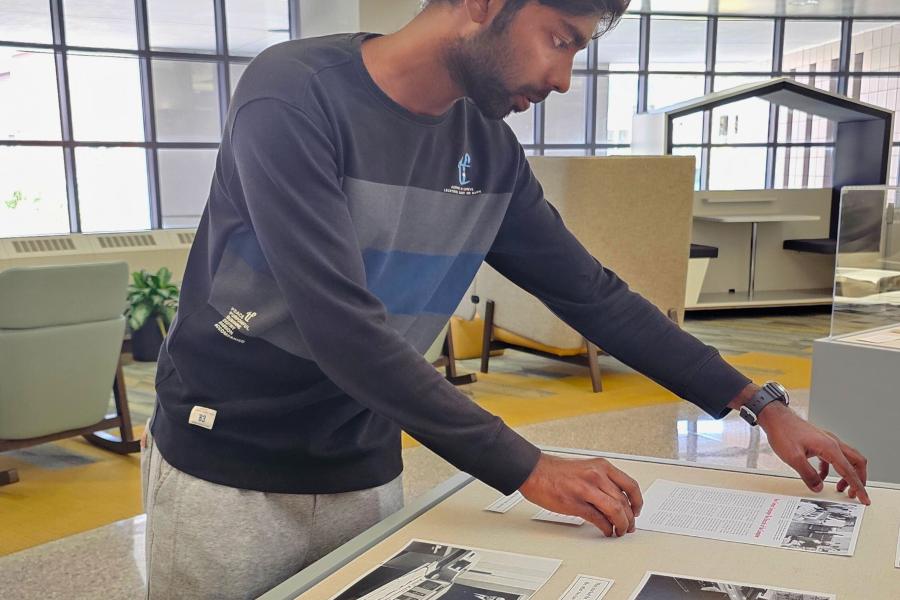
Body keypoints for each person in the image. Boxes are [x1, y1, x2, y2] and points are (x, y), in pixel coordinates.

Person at [140, 0, 870, 597]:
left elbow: (594, 296)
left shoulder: (486, 149)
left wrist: (760, 404)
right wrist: (528, 467)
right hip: (228, 460)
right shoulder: (293, 92)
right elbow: (342, 328)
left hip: (359, 458)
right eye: (559, 39)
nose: (563, 78)